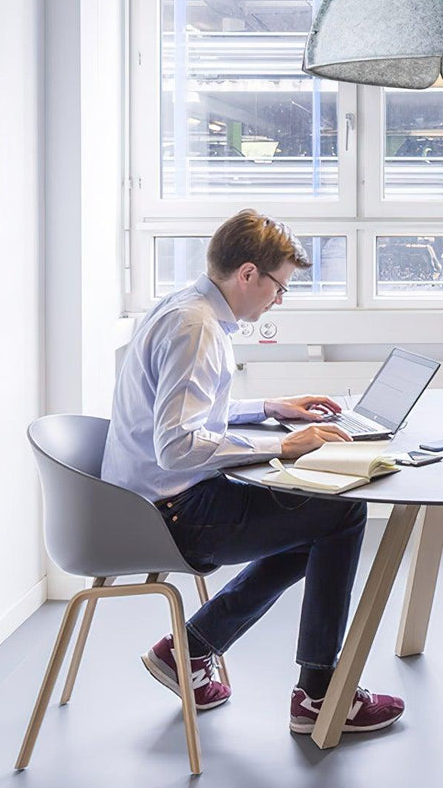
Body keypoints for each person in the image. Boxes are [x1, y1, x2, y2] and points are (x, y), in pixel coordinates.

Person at [101, 209, 404, 735]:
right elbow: (176, 446)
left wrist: (267, 407)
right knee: (342, 515)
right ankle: (319, 694)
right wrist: (282, 446)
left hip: (144, 503)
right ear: (247, 274)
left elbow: (189, 414)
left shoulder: (184, 307)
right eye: (279, 287)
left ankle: (189, 650)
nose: (278, 299)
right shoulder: (197, 329)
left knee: (317, 523)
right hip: (172, 513)